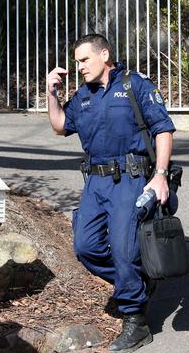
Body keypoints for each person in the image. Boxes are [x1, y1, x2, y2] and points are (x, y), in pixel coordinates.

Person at [47, 34, 175, 352]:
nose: (80, 67)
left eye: (84, 60)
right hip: (95, 181)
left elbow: (163, 128)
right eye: (77, 62)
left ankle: (136, 320)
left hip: (130, 179)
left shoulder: (135, 85)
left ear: (104, 55)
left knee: (123, 248)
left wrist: (159, 176)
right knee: (85, 246)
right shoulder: (83, 96)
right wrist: (52, 94)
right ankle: (139, 280)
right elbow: (61, 125)